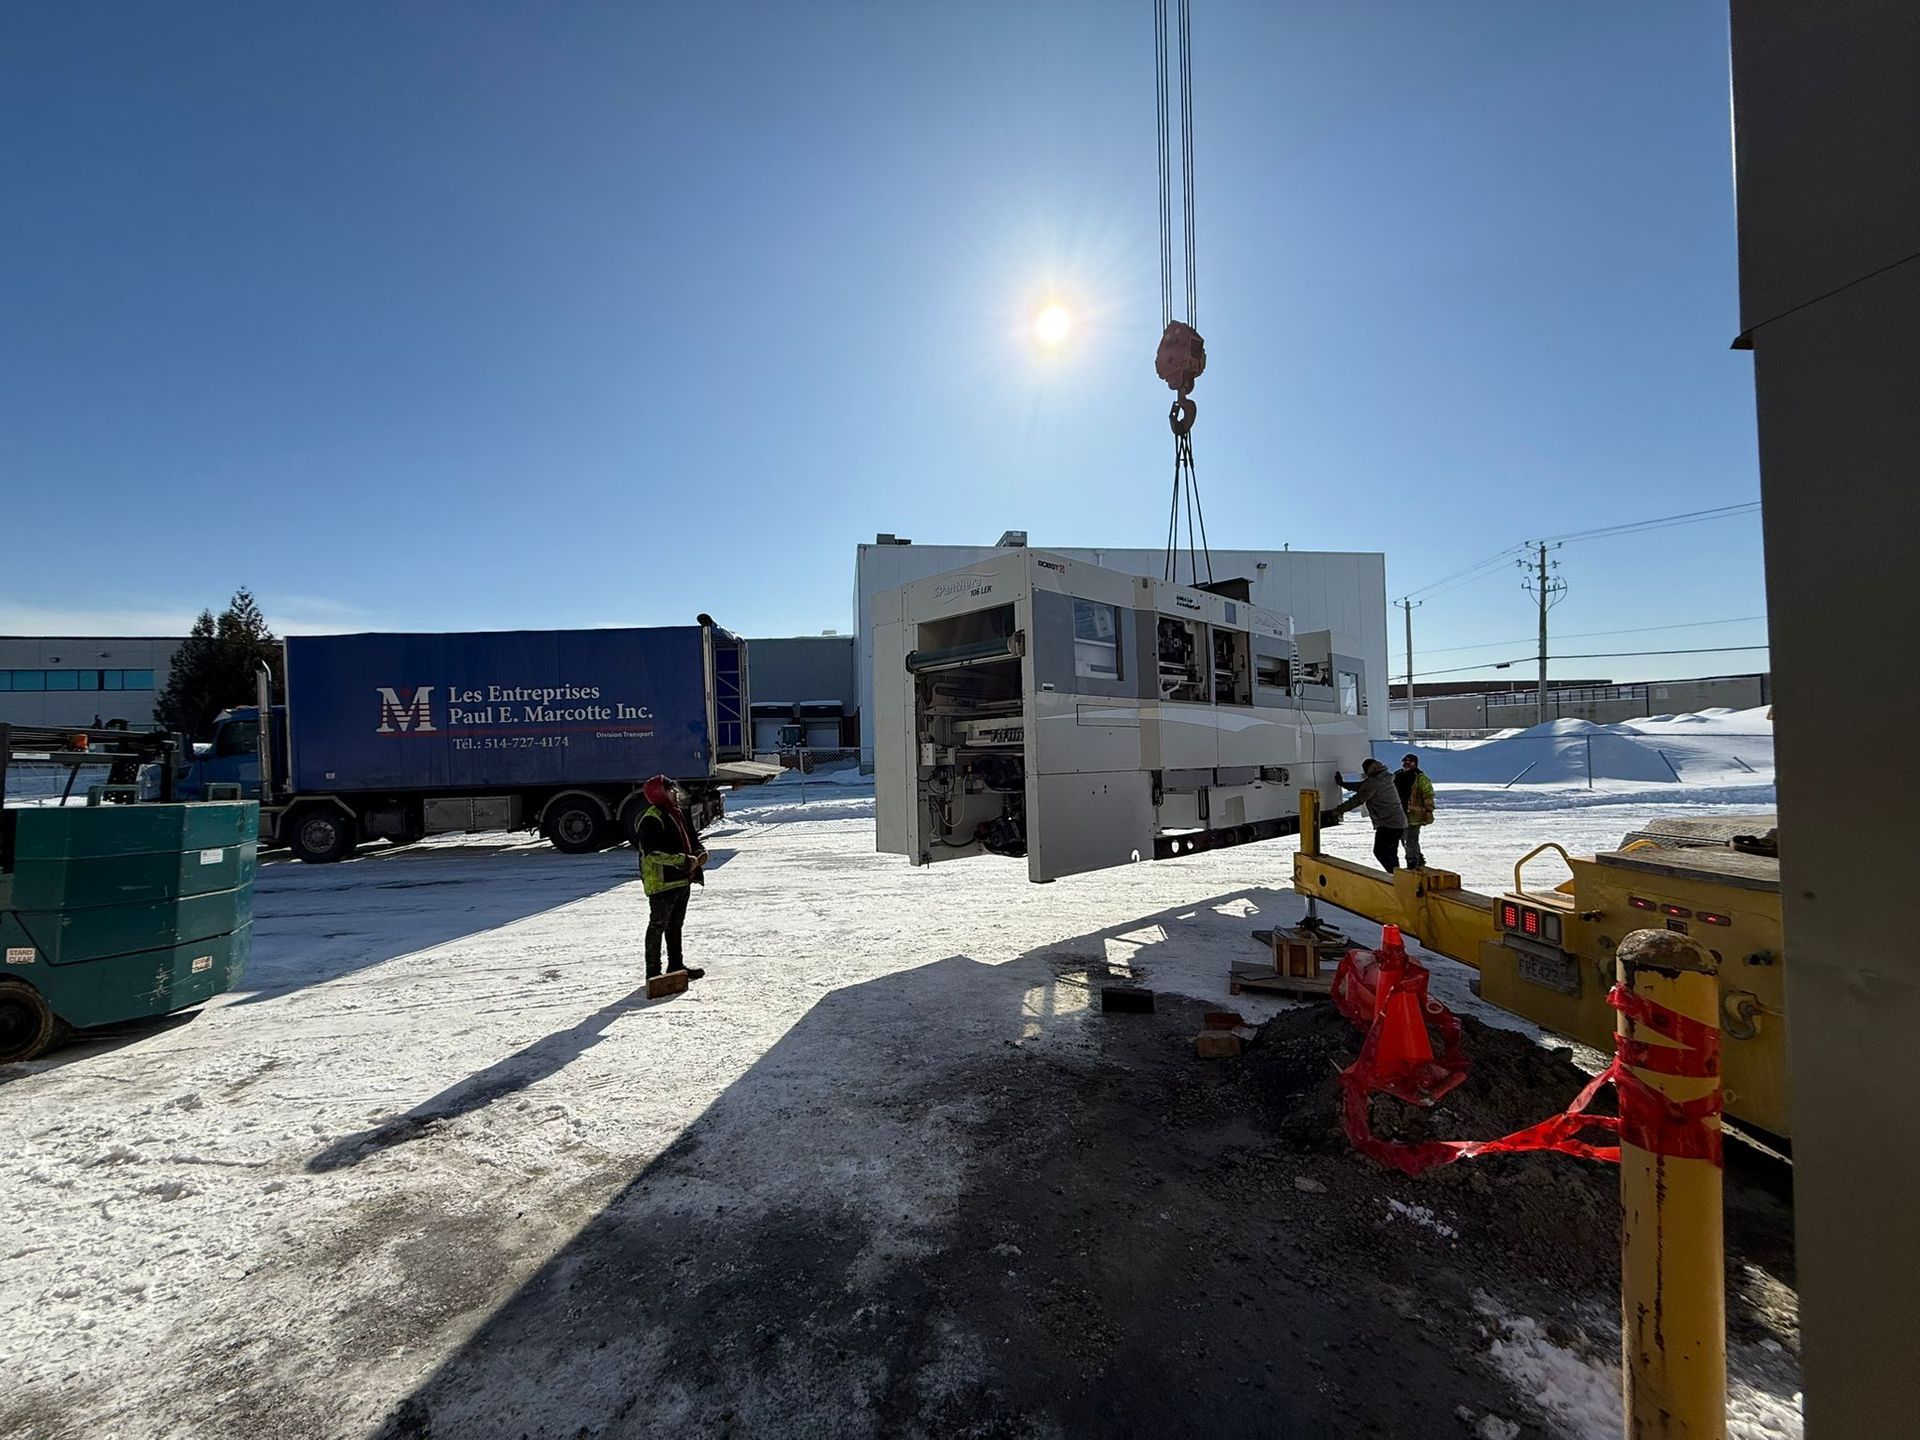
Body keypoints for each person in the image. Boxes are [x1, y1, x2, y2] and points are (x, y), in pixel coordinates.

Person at [637, 774, 708, 982]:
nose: (675, 793)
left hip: (681, 880)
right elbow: (652, 853)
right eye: (670, 790)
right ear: (660, 793)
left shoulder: (677, 813)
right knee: (657, 925)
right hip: (661, 882)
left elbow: (692, 840)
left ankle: (676, 965)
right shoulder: (652, 818)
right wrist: (684, 860)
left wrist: (700, 852)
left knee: (675, 924)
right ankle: (653, 972)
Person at [1329, 757, 1407, 873]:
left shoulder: (1374, 782)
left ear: (1368, 770)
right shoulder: (1384, 777)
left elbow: (1357, 799)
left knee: (1380, 852)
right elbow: (1363, 787)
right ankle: (1397, 878)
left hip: (1388, 824)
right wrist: (1342, 784)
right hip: (1399, 822)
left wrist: (1338, 811)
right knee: (1391, 853)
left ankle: (1394, 878)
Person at [1394, 752, 1435, 869]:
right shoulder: (1397, 775)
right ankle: (1418, 859)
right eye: (1404, 761)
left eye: (1409, 761)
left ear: (1415, 763)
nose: (1406, 763)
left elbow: (1428, 795)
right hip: (1400, 814)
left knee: (1411, 839)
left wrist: (1428, 811)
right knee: (1404, 839)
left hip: (1415, 815)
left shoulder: (1421, 778)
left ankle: (1412, 863)